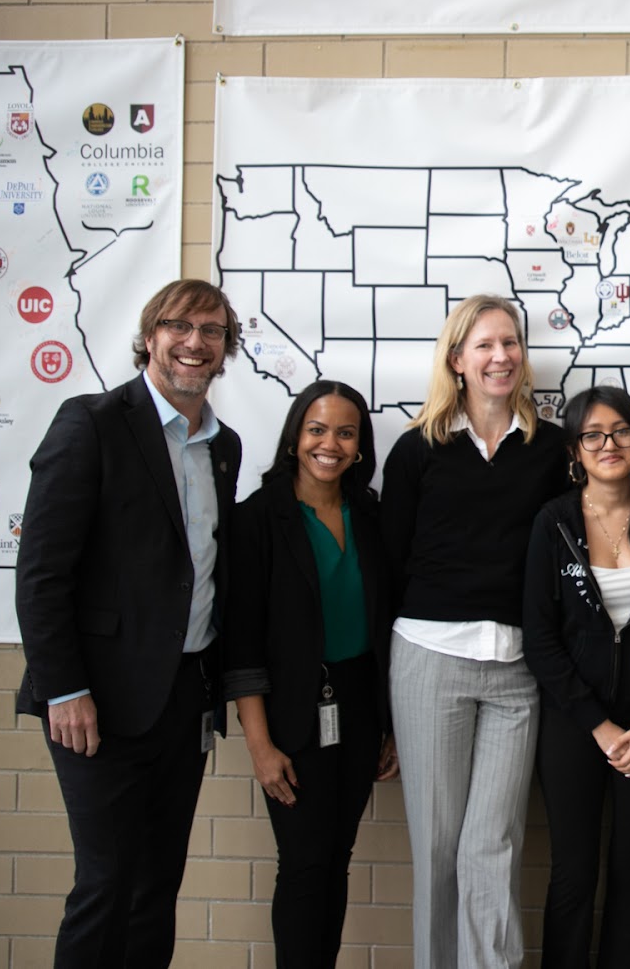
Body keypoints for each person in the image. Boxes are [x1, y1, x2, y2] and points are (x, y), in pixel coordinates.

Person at [14, 279, 242, 967]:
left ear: (227, 348)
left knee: (156, 887)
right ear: (150, 335)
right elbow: (42, 574)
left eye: (211, 330)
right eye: (179, 325)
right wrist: (63, 688)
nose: (195, 342)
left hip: (182, 700)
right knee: (106, 883)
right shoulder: (90, 422)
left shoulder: (222, 445)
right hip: (96, 702)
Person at [381, 294, 568, 968]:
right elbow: (392, 564)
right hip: (431, 661)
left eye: (510, 342)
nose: (501, 356)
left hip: (517, 672)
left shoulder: (550, 448)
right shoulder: (416, 450)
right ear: (457, 359)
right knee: (437, 845)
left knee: (494, 842)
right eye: (484, 345)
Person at [224, 380, 399, 968]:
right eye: (317, 429)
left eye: (345, 433)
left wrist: (389, 727)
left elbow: (386, 627)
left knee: (337, 857)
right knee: (302, 862)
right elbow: (241, 642)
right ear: (296, 437)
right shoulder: (258, 519)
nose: (331, 443)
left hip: (358, 706)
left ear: (359, 445)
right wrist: (260, 746)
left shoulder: (372, 514)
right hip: (290, 712)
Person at [523, 386, 630, 969]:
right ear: (575, 449)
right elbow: (540, 638)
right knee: (573, 872)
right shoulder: (553, 522)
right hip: (575, 725)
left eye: (621, 431)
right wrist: (599, 727)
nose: (609, 444)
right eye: (593, 435)